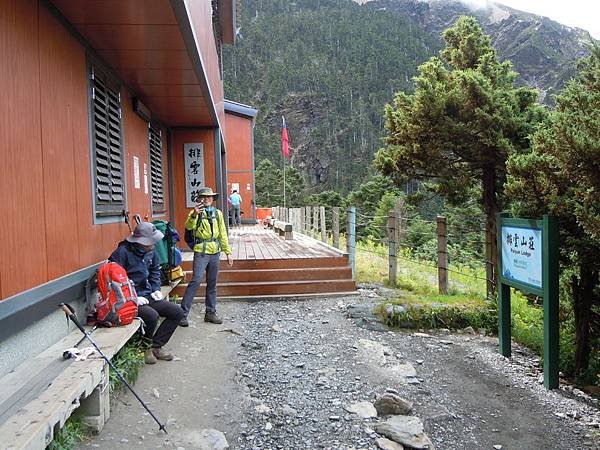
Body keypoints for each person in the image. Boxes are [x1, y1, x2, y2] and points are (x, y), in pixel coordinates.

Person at [109, 222, 185, 364]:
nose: (154, 244)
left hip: (147, 293)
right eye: (151, 241)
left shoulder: (151, 251)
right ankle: (145, 347)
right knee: (151, 316)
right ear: (141, 241)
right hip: (128, 299)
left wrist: (156, 288)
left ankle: (156, 346)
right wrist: (132, 297)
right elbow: (113, 279)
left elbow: (155, 270)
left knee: (177, 312)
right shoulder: (122, 253)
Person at [179, 187, 233, 326]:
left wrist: (228, 252)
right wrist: (194, 216)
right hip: (201, 252)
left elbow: (222, 233)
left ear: (212, 199)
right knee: (196, 281)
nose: (207, 199)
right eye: (204, 197)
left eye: (209, 197)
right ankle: (182, 314)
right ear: (199, 199)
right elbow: (188, 227)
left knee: (212, 283)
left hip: (215, 252)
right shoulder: (195, 213)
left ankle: (210, 312)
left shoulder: (218, 214)